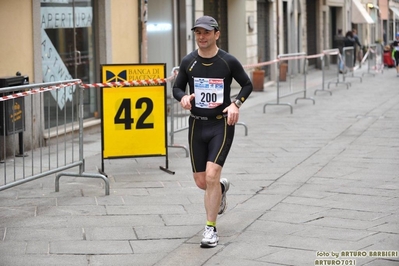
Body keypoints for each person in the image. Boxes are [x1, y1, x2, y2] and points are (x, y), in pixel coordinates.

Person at [172, 15, 253, 248]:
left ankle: (210, 229)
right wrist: (184, 97)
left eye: (206, 32)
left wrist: (236, 104)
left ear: (217, 34)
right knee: (202, 182)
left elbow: (247, 84)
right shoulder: (189, 62)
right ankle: (221, 187)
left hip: (221, 125)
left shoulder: (228, 61)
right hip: (197, 125)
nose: (202, 37)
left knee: (210, 176)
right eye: (198, 32)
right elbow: (176, 88)